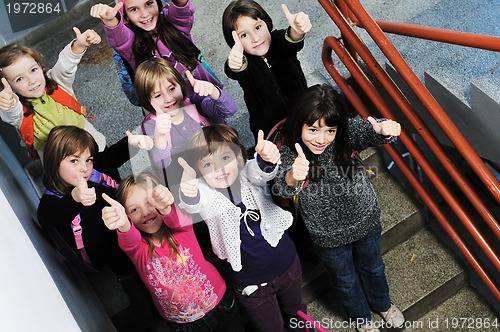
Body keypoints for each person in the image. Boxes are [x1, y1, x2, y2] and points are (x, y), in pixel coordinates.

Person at [273, 84, 405, 332]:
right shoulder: (289, 152)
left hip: (365, 219)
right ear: (299, 124)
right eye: (312, 129)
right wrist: (292, 176)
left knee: (374, 268)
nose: (321, 139)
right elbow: (280, 188)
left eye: (329, 130)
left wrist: (385, 129)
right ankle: (361, 319)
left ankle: (383, 305)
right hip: (327, 235)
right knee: (344, 282)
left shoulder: (347, 133)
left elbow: (375, 131)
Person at [177, 124, 305, 332]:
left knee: (298, 313)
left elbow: (261, 171)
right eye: (208, 165)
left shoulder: (247, 173)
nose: (219, 169)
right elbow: (193, 202)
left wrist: (267, 158)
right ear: (199, 171)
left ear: (237, 156)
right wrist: (188, 190)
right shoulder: (205, 193)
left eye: (225, 158)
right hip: (251, 285)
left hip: (287, 264)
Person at [37, 125, 157, 332]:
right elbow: (56, 214)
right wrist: (75, 198)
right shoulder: (49, 204)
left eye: (88, 159)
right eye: (73, 161)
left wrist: (133, 144)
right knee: (144, 310)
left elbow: (113, 155)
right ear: (54, 162)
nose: (84, 168)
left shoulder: (95, 167)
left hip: (133, 229)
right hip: (114, 254)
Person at [101, 171, 244, 332]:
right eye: (134, 210)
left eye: (150, 202)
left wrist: (164, 206)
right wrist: (123, 225)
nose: (145, 212)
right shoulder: (138, 250)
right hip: (183, 325)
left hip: (221, 304)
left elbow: (174, 217)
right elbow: (129, 239)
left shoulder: (182, 228)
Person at [0, 27, 106, 161]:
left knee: (111, 176)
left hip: (96, 150)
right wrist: (7, 101)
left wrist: (78, 45)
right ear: (9, 86)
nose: (31, 81)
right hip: (64, 173)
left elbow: (65, 66)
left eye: (33, 70)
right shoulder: (19, 112)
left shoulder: (57, 82)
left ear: (39, 66)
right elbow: (11, 112)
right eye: (19, 79)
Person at [222, 0, 311, 149]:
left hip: (305, 115)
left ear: (267, 23)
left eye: (258, 27)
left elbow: (290, 41)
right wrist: (234, 64)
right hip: (271, 131)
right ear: (234, 42)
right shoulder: (244, 61)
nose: (255, 38)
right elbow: (234, 70)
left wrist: (297, 30)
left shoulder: (277, 40)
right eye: (244, 35)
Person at [90, 0, 222, 97]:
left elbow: (182, 10)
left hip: (204, 91)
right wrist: (110, 20)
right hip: (172, 106)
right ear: (125, 14)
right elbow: (119, 38)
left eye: (148, 3)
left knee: (218, 127)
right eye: (134, 9)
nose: (144, 14)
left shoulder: (173, 22)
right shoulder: (130, 44)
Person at [134, 57, 236, 174]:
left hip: (225, 167)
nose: (168, 98)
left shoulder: (196, 102)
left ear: (180, 84)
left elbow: (230, 109)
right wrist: (160, 135)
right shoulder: (151, 125)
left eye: (172, 88)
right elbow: (161, 164)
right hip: (191, 183)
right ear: (147, 100)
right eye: (158, 95)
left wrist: (213, 91)